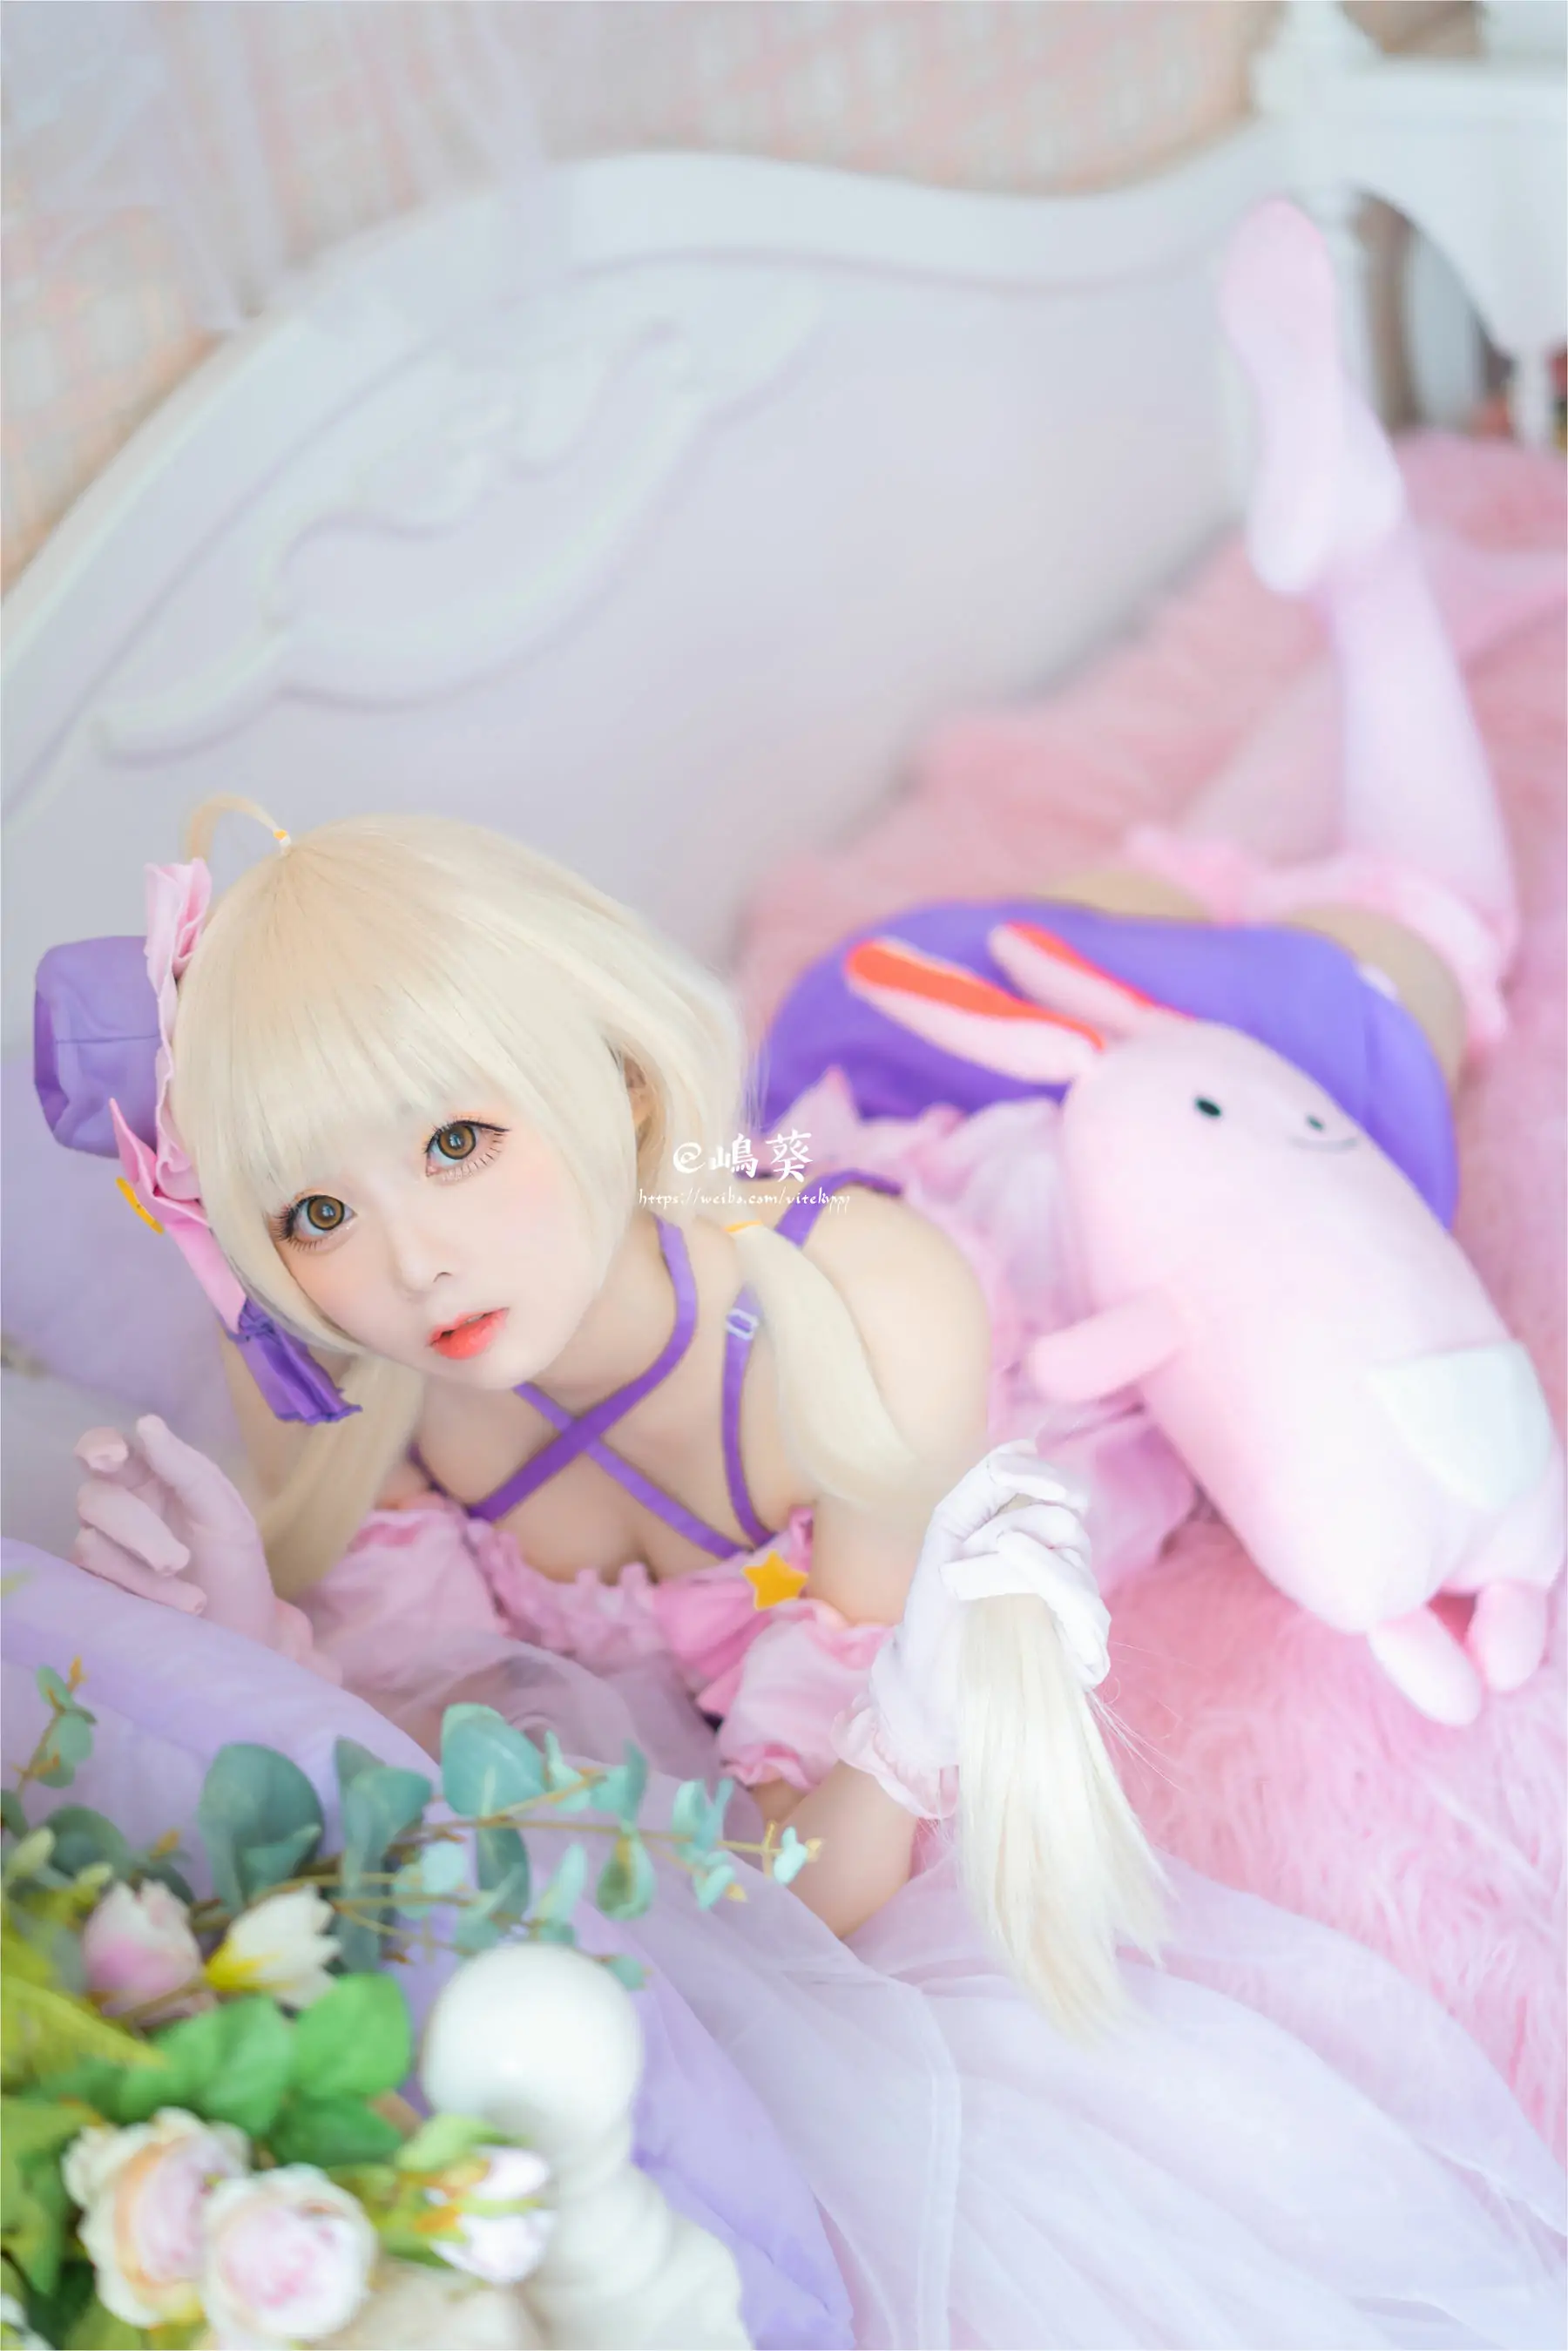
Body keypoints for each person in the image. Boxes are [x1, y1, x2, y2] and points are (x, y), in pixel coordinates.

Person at [51, 202, 1565, 2346]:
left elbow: (825, 1884)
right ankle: (1320, 624)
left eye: (458, 1141)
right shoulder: (386, 1437)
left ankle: (1370, 568)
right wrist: (245, 1640)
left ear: (595, 1077)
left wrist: (902, 1718)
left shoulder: (867, 1328)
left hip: (1066, 1134)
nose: (409, 1257)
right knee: (1191, 869)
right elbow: (429, 1775)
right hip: (844, 1087)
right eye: (313, 1213)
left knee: (1425, 938)